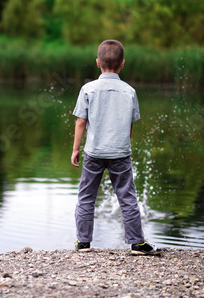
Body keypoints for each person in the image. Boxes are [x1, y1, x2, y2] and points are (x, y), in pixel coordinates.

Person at [71, 39, 161, 255]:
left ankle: (83, 242)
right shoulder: (129, 91)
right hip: (120, 153)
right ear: (122, 64)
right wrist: (124, 144)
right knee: (127, 197)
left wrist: (76, 149)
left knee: (86, 197)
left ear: (97, 63)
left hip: (93, 152)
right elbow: (129, 124)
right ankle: (137, 243)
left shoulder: (88, 89)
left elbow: (81, 121)